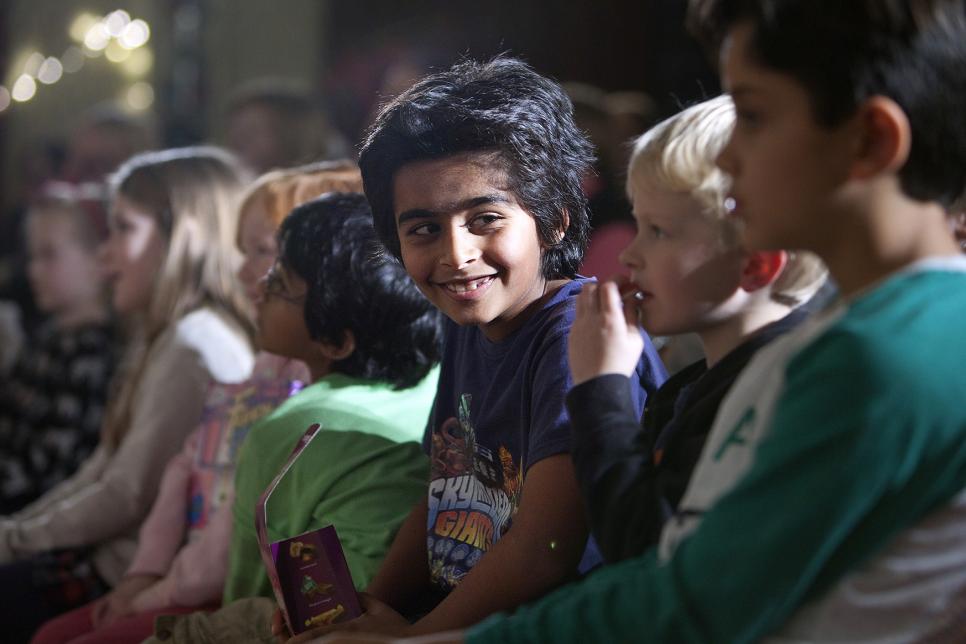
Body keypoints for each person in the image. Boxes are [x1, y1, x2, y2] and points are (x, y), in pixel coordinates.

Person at [403, 1, 963, 641]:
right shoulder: (842, 336)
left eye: (752, 115)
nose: (727, 160)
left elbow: (688, 609)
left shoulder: (884, 357)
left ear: (869, 140)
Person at [288, 57, 665, 642]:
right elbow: (441, 493)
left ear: (555, 221)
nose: (456, 254)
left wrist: (408, 640)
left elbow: (547, 550)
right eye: (423, 230)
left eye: (485, 218)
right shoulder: (468, 317)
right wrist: (370, 608)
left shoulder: (575, 336)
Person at [28, 163, 366, 644]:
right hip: (203, 580)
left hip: (243, 593)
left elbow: (231, 518)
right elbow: (185, 470)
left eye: (267, 253)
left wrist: (150, 589)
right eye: (245, 252)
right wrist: (144, 576)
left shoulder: (214, 352)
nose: (249, 271)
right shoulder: (262, 369)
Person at [0, 147, 255, 642]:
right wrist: (15, 533)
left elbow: (128, 492)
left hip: (129, 573)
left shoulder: (193, 345)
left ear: (181, 237)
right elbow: (104, 465)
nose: (104, 252)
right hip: (111, 562)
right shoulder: (168, 335)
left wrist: (15, 539)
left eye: (123, 229)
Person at [566, 95, 827, 561]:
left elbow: (646, 552)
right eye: (637, 224)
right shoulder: (705, 377)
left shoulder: (771, 393)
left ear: (755, 264)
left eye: (659, 231)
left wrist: (601, 386)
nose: (629, 255)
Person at [0, 183, 118, 514]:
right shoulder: (48, 337)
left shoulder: (91, 354)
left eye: (49, 255)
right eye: (32, 256)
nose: (33, 270)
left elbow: (48, 470)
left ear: (99, 258)